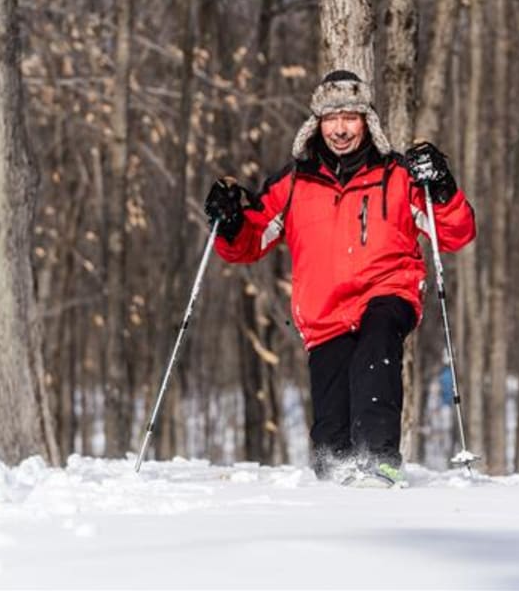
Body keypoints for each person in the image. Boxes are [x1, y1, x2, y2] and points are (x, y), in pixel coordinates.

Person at [204, 69, 476, 487]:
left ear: (367, 121)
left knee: (375, 347)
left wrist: (440, 185)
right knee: (332, 437)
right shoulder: (294, 183)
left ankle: (378, 459)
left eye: (350, 117)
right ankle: (340, 478)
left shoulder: (398, 175)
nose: (340, 129)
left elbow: (455, 234)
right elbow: (249, 242)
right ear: (316, 124)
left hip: (389, 291)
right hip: (325, 312)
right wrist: (229, 219)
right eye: (331, 119)